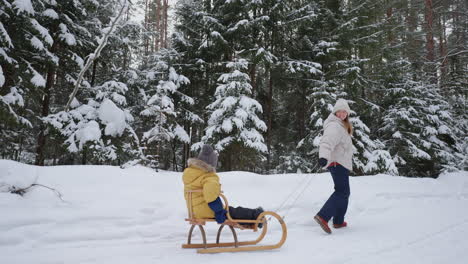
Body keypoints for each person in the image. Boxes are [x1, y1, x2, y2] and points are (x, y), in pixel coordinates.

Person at [182, 144, 264, 227]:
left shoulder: (190, 173)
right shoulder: (208, 176)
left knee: (231, 212)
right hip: (208, 210)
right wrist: (219, 211)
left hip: (194, 211)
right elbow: (211, 196)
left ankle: (253, 219)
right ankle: (257, 216)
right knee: (233, 212)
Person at [314, 99, 354, 234]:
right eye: (340, 111)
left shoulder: (341, 125)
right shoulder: (334, 126)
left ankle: (338, 221)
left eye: (345, 112)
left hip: (340, 163)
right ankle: (323, 216)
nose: (342, 114)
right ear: (335, 112)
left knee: (344, 192)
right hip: (337, 163)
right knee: (342, 192)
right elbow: (326, 142)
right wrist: (323, 156)